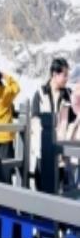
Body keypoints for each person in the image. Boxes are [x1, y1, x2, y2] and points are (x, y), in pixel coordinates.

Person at [30, 57, 75, 190]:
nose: (67, 78)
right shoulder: (40, 94)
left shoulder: (68, 94)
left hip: (62, 153)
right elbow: (35, 122)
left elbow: (73, 120)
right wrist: (42, 146)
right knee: (41, 189)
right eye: (64, 75)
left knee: (61, 191)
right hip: (43, 151)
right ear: (55, 74)